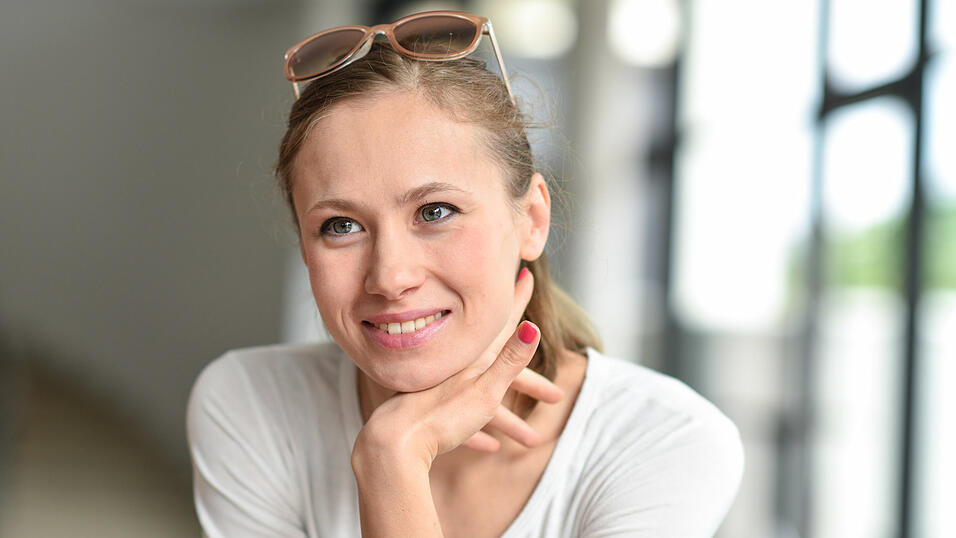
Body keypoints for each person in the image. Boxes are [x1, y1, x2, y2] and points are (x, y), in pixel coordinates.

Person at [186, 10, 744, 538]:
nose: (390, 276)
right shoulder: (250, 405)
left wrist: (391, 461)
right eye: (340, 225)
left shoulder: (664, 442)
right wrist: (397, 455)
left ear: (531, 219)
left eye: (435, 212)